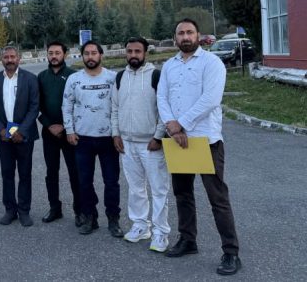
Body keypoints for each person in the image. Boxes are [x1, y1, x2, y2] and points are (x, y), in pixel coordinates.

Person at [157, 18, 242, 276]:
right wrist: (172, 127)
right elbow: (161, 97)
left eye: (189, 32)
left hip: (206, 140)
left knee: (218, 199)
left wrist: (180, 124)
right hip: (177, 141)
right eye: (181, 33)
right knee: (182, 194)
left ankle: (231, 252)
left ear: (198, 35)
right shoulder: (169, 66)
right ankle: (188, 240)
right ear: (175, 38)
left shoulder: (211, 63)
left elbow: (211, 99)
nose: (185, 36)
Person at [111, 37, 170, 252]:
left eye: (137, 51)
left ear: (145, 53)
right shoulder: (120, 77)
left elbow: (164, 108)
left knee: (159, 190)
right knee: (136, 189)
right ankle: (140, 226)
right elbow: (115, 108)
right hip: (127, 143)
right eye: (130, 51)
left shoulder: (156, 76)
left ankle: (161, 233)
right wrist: (116, 134)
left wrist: (158, 136)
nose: (133, 55)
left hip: (151, 144)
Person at [62, 40, 122, 237]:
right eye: (86, 53)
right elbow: (67, 106)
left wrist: (118, 133)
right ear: (82, 57)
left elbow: (119, 106)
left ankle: (113, 219)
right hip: (82, 139)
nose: (90, 57)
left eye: (93, 53)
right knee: (84, 182)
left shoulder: (113, 78)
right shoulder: (74, 79)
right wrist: (69, 130)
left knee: (111, 182)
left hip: (108, 139)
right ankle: (90, 217)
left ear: (100, 55)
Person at [0, 46, 40, 227]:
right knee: (7, 173)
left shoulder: (30, 79)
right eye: (6, 57)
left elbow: (34, 107)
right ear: (1, 59)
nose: (9, 60)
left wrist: (21, 131)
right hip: (4, 136)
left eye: (12, 57)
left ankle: (24, 210)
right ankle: (10, 210)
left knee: (25, 174)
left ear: (19, 58)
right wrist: (1, 129)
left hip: (24, 136)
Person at [37, 41, 82, 225]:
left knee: (75, 172)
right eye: (51, 53)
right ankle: (55, 208)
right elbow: (37, 104)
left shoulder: (74, 76)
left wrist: (65, 126)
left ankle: (80, 210)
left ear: (65, 54)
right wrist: (49, 125)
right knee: (51, 172)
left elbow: (79, 104)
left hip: (70, 132)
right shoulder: (41, 77)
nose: (54, 56)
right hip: (49, 132)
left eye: (57, 53)